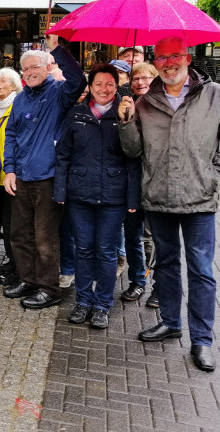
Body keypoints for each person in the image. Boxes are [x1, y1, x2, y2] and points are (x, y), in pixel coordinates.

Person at [118, 36, 220, 372]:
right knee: (165, 264)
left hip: (199, 197)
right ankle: (170, 321)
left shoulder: (214, 95)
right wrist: (127, 120)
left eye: (175, 56)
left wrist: (213, 176)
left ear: (188, 58)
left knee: (202, 270)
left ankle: (202, 340)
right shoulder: (145, 102)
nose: (168, 63)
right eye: (161, 58)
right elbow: (133, 151)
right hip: (158, 196)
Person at [1, 34, 87, 309]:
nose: (29, 73)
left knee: (45, 237)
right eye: (25, 70)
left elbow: (78, 81)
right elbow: (11, 134)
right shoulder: (21, 99)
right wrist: (10, 170)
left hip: (47, 177)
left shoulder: (59, 92)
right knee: (19, 234)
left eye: (34, 67)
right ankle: (28, 279)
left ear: (47, 68)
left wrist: (57, 49)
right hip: (21, 177)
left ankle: (49, 287)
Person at [54, 63, 141, 329]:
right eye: (99, 84)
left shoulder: (125, 113)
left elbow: (135, 157)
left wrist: (133, 198)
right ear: (90, 87)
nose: (104, 89)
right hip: (79, 194)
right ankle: (83, 301)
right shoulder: (77, 113)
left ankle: (103, 304)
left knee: (105, 252)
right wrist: (60, 190)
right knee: (83, 249)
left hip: (113, 197)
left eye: (110, 84)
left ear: (118, 87)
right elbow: (63, 155)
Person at [118, 62, 158, 307]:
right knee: (132, 236)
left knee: (158, 239)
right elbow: (130, 150)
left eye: (146, 78)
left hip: (157, 183)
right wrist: (126, 118)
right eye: (136, 79)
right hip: (132, 182)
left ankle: (161, 287)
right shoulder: (126, 104)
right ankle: (137, 281)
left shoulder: (164, 106)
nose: (140, 83)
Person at [0, 67, 23, 287]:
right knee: (5, 222)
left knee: (15, 225)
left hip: (14, 175)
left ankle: (18, 266)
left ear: (14, 85)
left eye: (3, 80)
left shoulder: (18, 106)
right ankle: (12, 262)